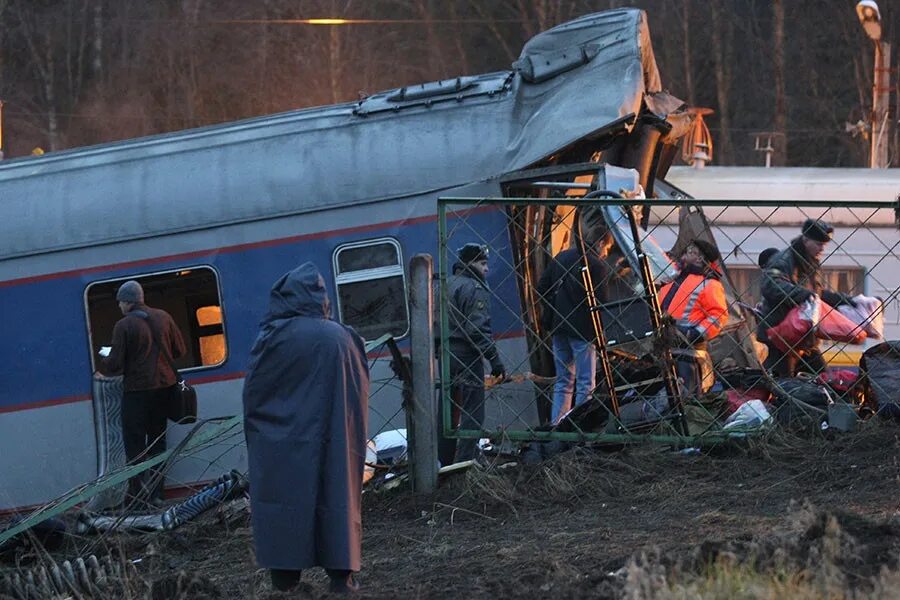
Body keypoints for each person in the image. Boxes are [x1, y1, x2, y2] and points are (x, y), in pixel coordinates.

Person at [242, 263, 369, 594]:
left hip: (286, 440)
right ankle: (342, 577)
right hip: (337, 437)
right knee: (337, 495)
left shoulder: (274, 338)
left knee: (284, 499)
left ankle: (285, 579)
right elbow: (358, 392)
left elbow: (256, 393)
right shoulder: (345, 336)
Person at [96, 280, 186, 506]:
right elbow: (180, 350)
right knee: (158, 442)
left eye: (120, 302)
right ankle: (157, 495)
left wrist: (104, 359)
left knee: (135, 445)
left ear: (128, 302)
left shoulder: (124, 325)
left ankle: (138, 497)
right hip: (164, 389)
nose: (119, 307)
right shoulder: (164, 317)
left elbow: (115, 364)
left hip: (137, 392)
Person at [757, 218, 854, 377]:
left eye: (824, 245)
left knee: (824, 380)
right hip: (782, 336)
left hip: (803, 337)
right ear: (806, 239)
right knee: (784, 385)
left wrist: (848, 301)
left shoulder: (809, 263)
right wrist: (804, 295)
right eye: (818, 244)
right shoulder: (784, 260)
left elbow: (818, 295)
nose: (822, 248)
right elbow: (771, 285)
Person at [536, 233, 613, 424]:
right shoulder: (596, 265)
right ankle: (580, 425)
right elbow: (602, 301)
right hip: (583, 330)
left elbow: (541, 287)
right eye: (607, 248)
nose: (605, 253)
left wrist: (556, 308)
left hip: (558, 327)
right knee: (586, 382)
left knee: (563, 381)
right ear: (601, 242)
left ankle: (558, 424)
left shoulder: (562, 257)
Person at [441, 243, 504, 465]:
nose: (486, 269)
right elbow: (477, 329)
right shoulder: (474, 288)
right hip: (467, 357)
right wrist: (495, 360)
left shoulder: (446, 285)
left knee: (448, 413)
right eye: (482, 263)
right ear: (471, 264)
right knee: (473, 412)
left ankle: (444, 460)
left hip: (446, 357)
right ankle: (466, 461)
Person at [658, 240, 728, 394]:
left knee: (687, 396)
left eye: (691, 252)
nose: (685, 254)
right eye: (687, 251)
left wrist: (695, 334)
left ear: (700, 259)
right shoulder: (671, 281)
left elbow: (718, 315)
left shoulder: (709, 284)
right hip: (665, 349)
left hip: (689, 353)